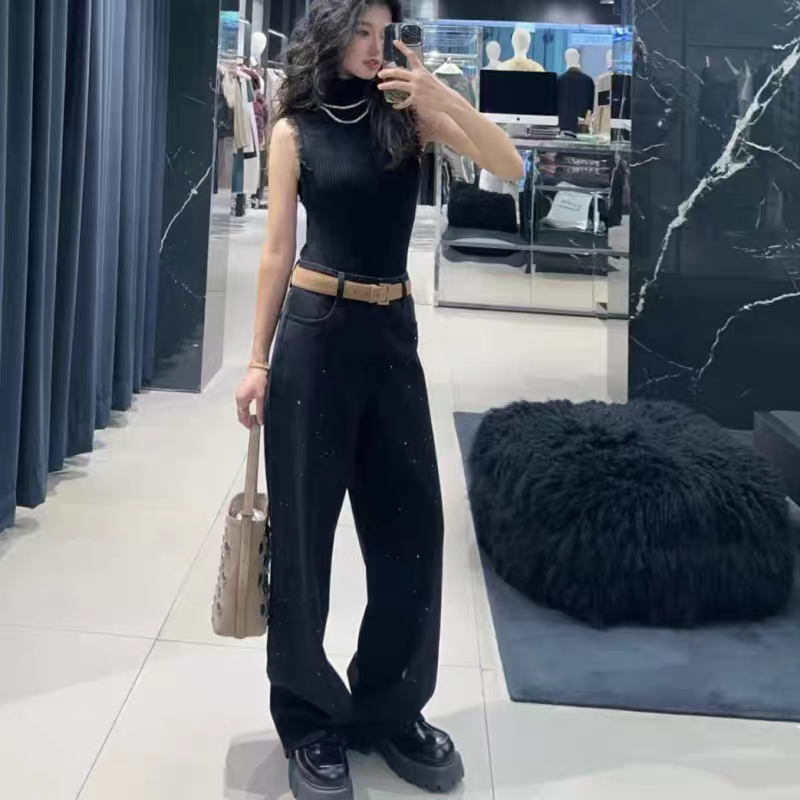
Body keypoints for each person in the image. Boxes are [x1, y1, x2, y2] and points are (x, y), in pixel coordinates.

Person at [234, 2, 523, 798]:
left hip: (392, 335)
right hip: (314, 335)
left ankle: (391, 708)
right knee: (304, 534)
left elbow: (509, 166)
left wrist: (441, 95)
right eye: (360, 31)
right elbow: (275, 252)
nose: (374, 46)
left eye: (384, 32)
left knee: (412, 527)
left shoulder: (410, 118)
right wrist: (256, 361)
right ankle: (310, 721)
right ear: (330, 36)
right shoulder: (293, 130)